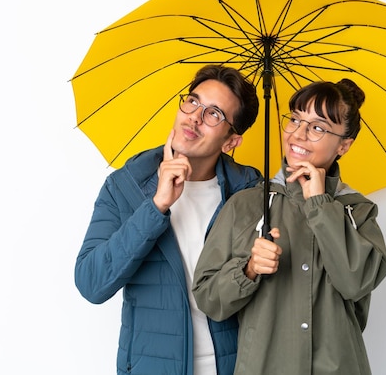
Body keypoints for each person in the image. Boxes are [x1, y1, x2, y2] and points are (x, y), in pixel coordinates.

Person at [192, 78, 386, 374]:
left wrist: (320, 205)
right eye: (295, 119)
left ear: (344, 145)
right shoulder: (246, 205)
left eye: (317, 127)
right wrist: (248, 270)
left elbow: (356, 282)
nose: (299, 134)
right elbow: (208, 299)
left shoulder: (356, 211)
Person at [74, 65, 262, 375]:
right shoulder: (126, 185)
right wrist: (156, 206)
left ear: (231, 141)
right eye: (193, 101)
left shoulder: (250, 196)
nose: (195, 117)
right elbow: (92, 283)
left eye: (214, 114)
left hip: (234, 366)